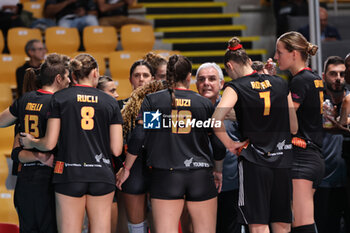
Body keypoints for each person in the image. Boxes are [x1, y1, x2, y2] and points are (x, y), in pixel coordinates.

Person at [117, 54, 230, 233]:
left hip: (166, 176)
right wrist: (218, 170)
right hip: (200, 174)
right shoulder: (204, 104)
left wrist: (127, 168)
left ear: (168, 75)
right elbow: (217, 144)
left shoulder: (154, 101)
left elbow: (139, 136)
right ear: (189, 77)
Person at [20, 53, 123, 233]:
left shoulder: (60, 98)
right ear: (95, 73)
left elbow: (49, 144)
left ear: (73, 76)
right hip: (101, 173)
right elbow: (116, 149)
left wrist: (32, 142)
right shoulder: (110, 102)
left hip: (69, 173)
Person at [213, 37, 298, 233]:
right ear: (250, 62)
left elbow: (215, 120)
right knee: (282, 223)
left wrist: (230, 144)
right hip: (283, 160)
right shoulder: (280, 82)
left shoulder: (235, 86)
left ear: (229, 66)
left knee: (258, 225)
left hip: (255, 162)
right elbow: (293, 127)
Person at [0, 53, 71, 233]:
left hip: (25, 179)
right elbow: (50, 145)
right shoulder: (58, 102)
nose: (70, 81)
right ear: (58, 78)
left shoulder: (25, 99)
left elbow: (1, 121)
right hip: (48, 179)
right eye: (67, 76)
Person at [274, 31, 324, 233]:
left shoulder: (300, 80)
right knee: (298, 219)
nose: (276, 57)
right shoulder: (313, 77)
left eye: (279, 52)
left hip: (303, 155)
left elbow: (285, 119)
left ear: (294, 53)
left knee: (302, 222)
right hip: (313, 156)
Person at [195, 62, 242, 233]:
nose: (206, 83)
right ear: (196, 85)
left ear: (222, 84)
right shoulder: (188, 110)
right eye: (201, 79)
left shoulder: (235, 110)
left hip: (231, 184)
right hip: (198, 184)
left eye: (212, 79)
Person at [118, 62, 156, 233]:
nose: (141, 79)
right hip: (132, 167)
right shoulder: (119, 106)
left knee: (161, 224)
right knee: (135, 226)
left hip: (157, 165)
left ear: (153, 78)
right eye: (137, 75)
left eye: (146, 75)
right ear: (130, 79)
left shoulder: (162, 103)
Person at [313, 56, 349, 233]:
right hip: (324, 182)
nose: (338, 78)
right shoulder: (315, 105)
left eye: (342, 74)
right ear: (323, 76)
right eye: (333, 73)